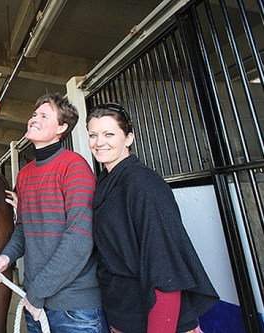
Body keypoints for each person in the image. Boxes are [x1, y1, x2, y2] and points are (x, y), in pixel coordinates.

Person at [86, 103, 219, 333]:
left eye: (109, 134)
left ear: (129, 138)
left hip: (158, 320)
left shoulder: (142, 183)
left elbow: (165, 271)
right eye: (93, 135)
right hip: (125, 315)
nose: (99, 142)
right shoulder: (105, 182)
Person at [0, 93, 108, 333]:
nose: (33, 119)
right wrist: (6, 257)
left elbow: (79, 239)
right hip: (36, 303)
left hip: (74, 310)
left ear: (61, 128)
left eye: (44, 116)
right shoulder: (25, 174)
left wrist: (36, 293)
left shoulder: (74, 167)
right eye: (33, 115)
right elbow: (23, 229)